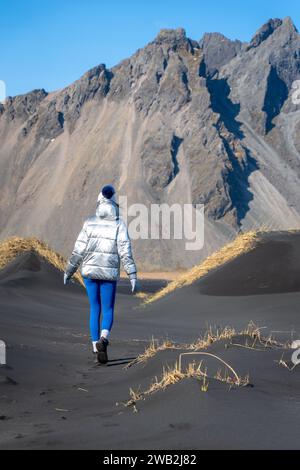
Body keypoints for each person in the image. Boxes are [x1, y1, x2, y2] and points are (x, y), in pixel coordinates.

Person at [64, 185, 137, 364]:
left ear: (98, 203)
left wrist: (69, 271)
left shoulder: (89, 222)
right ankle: (104, 338)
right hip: (108, 275)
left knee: (94, 309)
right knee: (108, 309)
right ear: (114, 203)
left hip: (89, 273)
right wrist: (132, 274)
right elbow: (125, 251)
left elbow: (78, 249)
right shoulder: (119, 223)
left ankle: (96, 346)